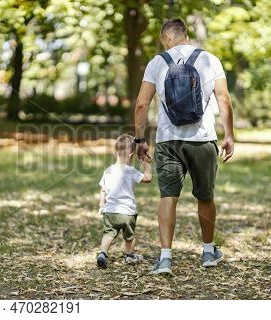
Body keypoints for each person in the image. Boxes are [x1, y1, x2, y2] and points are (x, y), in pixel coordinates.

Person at [134, 18, 235, 274]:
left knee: (168, 196)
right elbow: (224, 99)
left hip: (169, 142)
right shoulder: (210, 59)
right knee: (205, 195)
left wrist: (140, 139)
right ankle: (209, 251)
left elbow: (142, 105)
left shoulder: (157, 62)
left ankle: (165, 258)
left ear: (167, 37)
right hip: (203, 140)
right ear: (184, 34)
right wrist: (229, 135)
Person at [96, 134, 152, 268]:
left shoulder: (108, 171)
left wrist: (101, 205)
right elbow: (147, 179)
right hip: (127, 212)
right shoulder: (131, 171)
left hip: (110, 211)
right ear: (131, 155)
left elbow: (102, 189)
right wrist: (147, 165)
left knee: (109, 234)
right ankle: (129, 255)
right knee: (129, 236)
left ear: (115, 152)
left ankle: (103, 253)